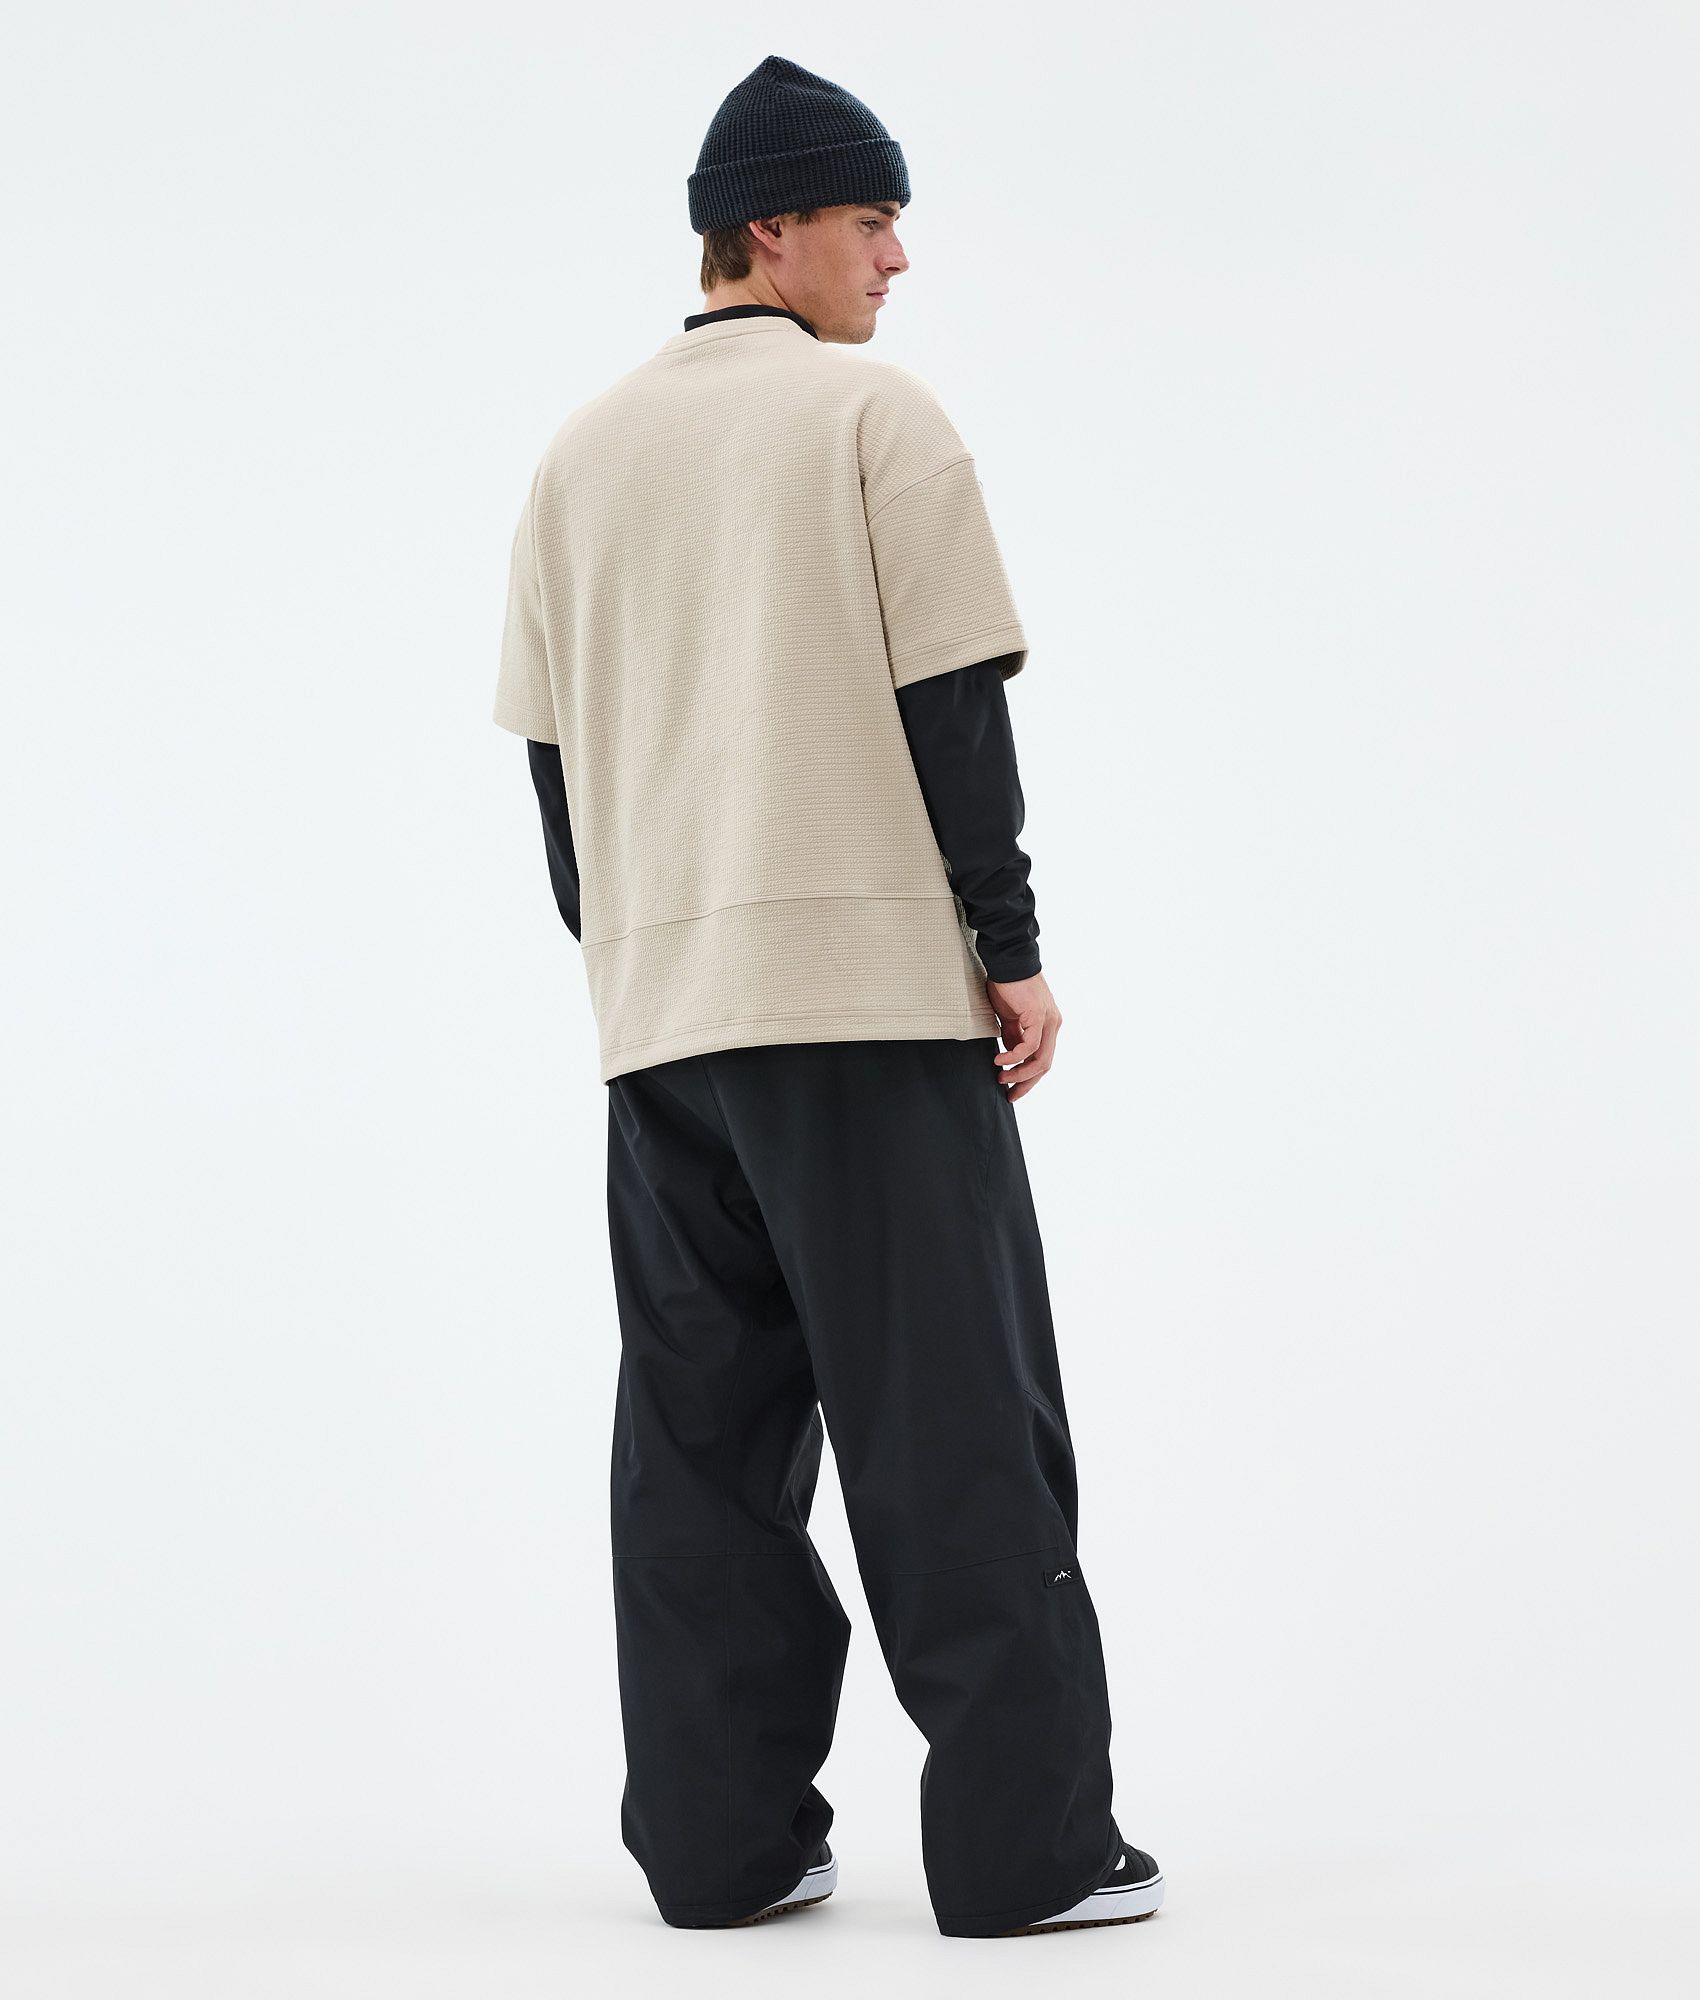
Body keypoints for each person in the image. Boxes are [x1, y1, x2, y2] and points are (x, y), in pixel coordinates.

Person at [491, 52, 1164, 1940]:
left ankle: (720, 1854)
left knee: (698, 1446)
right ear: (767, 230)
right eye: (874, 221)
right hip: (865, 1010)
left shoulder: (578, 456)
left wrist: (645, 955)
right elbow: (953, 708)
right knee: (954, 1422)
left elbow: (555, 771)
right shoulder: (874, 418)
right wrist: (1007, 948)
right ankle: (1029, 1854)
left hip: (665, 1030)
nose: (898, 259)